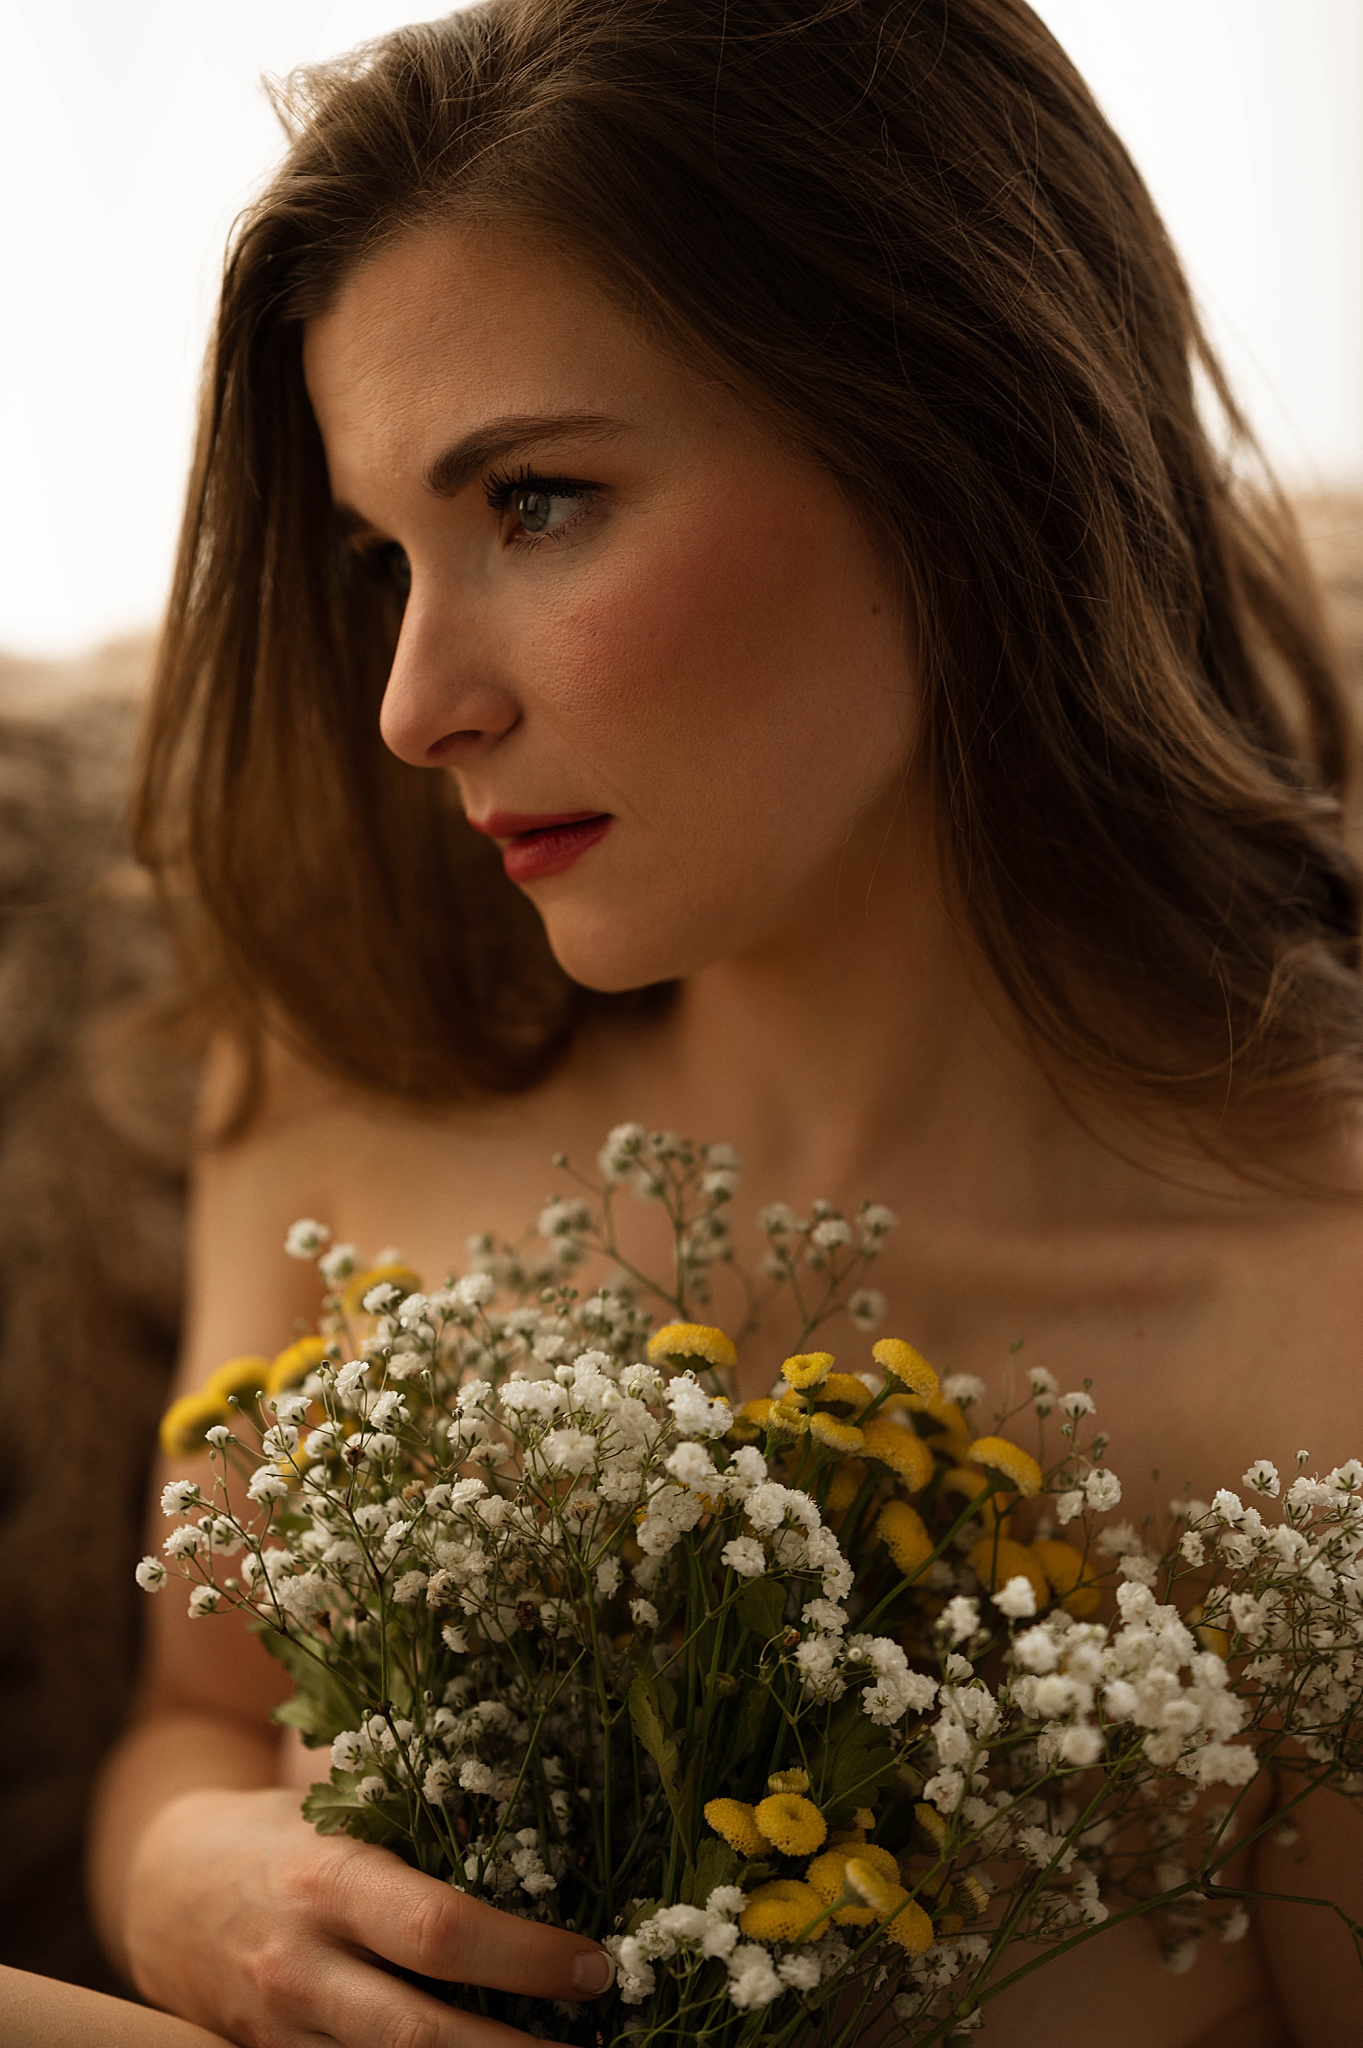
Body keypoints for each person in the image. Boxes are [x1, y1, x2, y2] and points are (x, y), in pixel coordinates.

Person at [87, 1, 1362, 2041]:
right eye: (375, 554)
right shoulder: (346, 1085)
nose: (416, 704)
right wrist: (189, 1886)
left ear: (957, 437)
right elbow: (196, 1714)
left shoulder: (1318, 1334)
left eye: (532, 503)